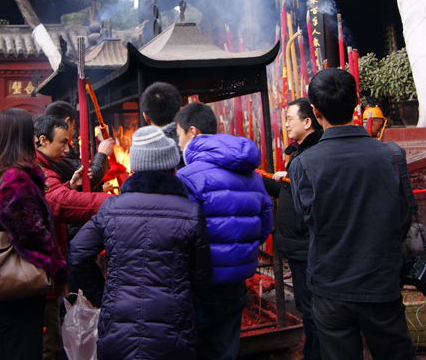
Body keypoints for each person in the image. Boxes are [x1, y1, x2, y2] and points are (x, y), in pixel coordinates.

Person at [289, 69, 414, 360]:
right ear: (356, 101)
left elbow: (308, 220)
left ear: (316, 111)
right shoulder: (391, 155)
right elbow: (403, 217)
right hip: (381, 283)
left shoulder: (302, 164)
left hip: (330, 286)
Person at [68, 125, 213, 359]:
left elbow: (77, 253)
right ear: (171, 168)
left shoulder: (111, 208)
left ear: (135, 168)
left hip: (117, 328)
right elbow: (202, 276)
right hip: (173, 329)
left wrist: (102, 295)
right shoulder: (189, 212)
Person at [175, 102, 273, 360]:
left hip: (201, 283)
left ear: (192, 132)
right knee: (225, 351)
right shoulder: (251, 174)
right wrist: (242, 249)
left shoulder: (187, 176)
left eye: (179, 136)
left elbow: (182, 234)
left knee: (195, 348)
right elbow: (265, 221)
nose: (179, 144)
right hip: (237, 281)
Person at [0, 109, 67, 360]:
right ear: (21, 137)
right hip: (17, 286)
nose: (35, 139)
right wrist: (58, 268)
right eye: (30, 133)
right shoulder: (15, 179)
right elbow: (30, 234)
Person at [33, 115, 111, 360]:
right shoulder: (38, 170)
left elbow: (56, 198)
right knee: (49, 347)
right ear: (42, 141)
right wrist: (120, 202)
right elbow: (62, 204)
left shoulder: (43, 168)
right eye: (63, 143)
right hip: (38, 275)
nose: (67, 150)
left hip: (42, 274)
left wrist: (70, 185)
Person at [262, 98, 323, 360]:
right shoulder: (300, 154)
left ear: (307, 122)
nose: (285, 124)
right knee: (306, 305)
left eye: (290, 118)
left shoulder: (311, 156)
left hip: (307, 246)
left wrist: (287, 180)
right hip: (299, 246)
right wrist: (270, 181)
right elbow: (293, 195)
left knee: (311, 309)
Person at [43, 101, 113, 191]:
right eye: (73, 124)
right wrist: (102, 154)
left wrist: (71, 186)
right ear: (67, 122)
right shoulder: (56, 152)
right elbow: (86, 180)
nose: (66, 150)